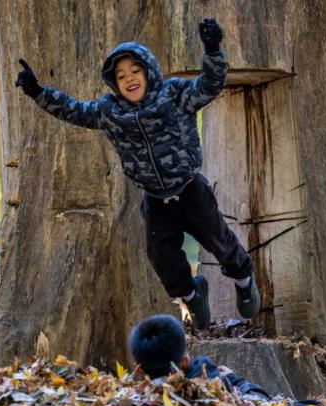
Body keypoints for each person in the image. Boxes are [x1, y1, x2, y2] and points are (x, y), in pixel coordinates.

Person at [15, 18, 260, 329]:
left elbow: (210, 85)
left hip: (190, 189)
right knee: (163, 260)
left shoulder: (174, 95)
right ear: (113, 83)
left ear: (149, 71)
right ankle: (191, 294)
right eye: (120, 76)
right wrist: (37, 91)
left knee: (221, 243)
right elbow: (72, 110)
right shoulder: (110, 112)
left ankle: (244, 281)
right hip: (156, 201)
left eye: (135, 71)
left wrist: (212, 49)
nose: (129, 79)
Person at [129, 314, 270, 399]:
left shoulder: (136, 402)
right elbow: (263, 405)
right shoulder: (207, 378)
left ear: (139, 369)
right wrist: (235, 381)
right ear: (185, 362)